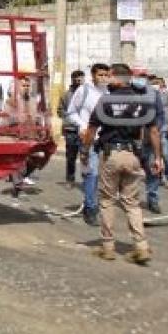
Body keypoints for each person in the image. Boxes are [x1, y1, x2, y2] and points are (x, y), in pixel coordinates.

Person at [81, 63, 162, 265]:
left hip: (111, 155)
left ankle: (108, 247)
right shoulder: (142, 102)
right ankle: (141, 246)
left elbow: (91, 130)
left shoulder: (105, 101)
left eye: (109, 76)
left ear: (118, 79)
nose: (107, 79)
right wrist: (158, 158)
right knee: (131, 202)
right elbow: (153, 131)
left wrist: (84, 152)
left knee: (107, 200)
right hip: (133, 156)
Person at [65, 63, 110, 226]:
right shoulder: (84, 90)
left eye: (106, 75)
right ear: (93, 76)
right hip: (88, 138)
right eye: (100, 75)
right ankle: (90, 208)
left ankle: (96, 203)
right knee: (92, 173)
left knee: (105, 176)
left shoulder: (110, 91)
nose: (103, 78)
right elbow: (71, 113)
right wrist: (82, 127)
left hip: (107, 140)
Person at [134, 70, 167, 215]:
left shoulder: (154, 93)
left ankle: (153, 200)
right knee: (130, 171)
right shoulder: (127, 92)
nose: (141, 79)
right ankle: (129, 199)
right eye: (139, 77)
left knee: (153, 170)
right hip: (132, 139)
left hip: (150, 137)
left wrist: (156, 128)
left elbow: (160, 114)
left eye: (144, 77)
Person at [58, 70, 86, 184]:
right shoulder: (66, 95)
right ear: (72, 80)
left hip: (85, 130)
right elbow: (60, 111)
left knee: (86, 156)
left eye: (81, 79)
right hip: (71, 131)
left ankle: (87, 179)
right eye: (76, 79)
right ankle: (70, 178)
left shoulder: (88, 94)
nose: (79, 81)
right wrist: (71, 117)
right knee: (71, 157)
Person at [151, 76, 168, 186]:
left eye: (158, 83)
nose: (156, 85)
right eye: (154, 83)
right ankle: (158, 176)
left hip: (164, 129)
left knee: (166, 154)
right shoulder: (148, 95)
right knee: (154, 155)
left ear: (163, 84)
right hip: (152, 130)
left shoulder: (167, 95)